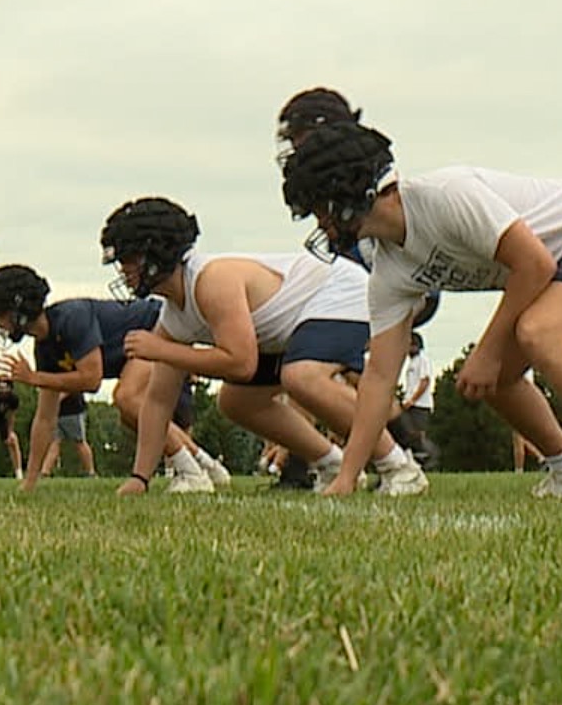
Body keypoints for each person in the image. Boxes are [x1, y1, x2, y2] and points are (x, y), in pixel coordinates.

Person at [279, 121, 562, 499]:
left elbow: (535, 264)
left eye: (320, 208)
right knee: (498, 378)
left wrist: (485, 350)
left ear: (350, 195)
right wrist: (348, 476)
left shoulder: (445, 195)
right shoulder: (390, 272)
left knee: (540, 332)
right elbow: (380, 378)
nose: (320, 223)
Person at [96, 197, 425, 497]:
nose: (123, 270)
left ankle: (399, 467)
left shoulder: (211, 281)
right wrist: (140, 478)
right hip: (294, 324)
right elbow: (157, 402)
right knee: (236, 402)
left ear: (156, 255)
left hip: (339, 294)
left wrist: (164, 351)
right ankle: (330, 462)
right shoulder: (174, 317)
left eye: (128, 258)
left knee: (303, 376)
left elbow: (241, 363)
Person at [0, 263, 231, 494]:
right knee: (131, 414)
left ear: (18, 310)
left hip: (156, 326)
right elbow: (45, 418)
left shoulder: (70, 318)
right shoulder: (45, 346)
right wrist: (29, 482)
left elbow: (91, 379)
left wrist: (35, 377)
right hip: (137, 343)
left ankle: (191, 474)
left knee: (127, 397)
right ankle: (208, 466)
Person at [389, 332, 440, 470]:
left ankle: (430, 458)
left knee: (419, 434)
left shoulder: (423, 360)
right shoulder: (412, 362)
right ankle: (415, 461)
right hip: (410, 403)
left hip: (420, 404)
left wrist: (412, 400)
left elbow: (425, 381)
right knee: (408, 433)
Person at [40, 391, 98, 478]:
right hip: (56, 412)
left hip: (73, 411)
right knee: (55, 442)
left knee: (79, 442)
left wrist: (57, 399)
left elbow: (72, 386)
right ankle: (45, 472)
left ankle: (91, 472)